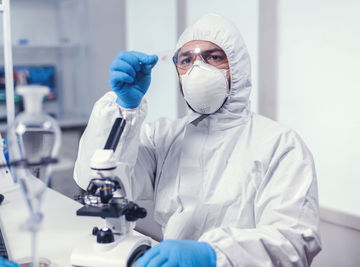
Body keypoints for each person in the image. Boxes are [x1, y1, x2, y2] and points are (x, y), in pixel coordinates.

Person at [74, 14, 322, 266]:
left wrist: (213, 255)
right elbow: (96, 179)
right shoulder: (164, 137)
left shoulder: (280, 145)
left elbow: (292, 243)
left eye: (213, 57)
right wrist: (124, 108)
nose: (197, 69)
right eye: (186, 60)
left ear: (236, 68)